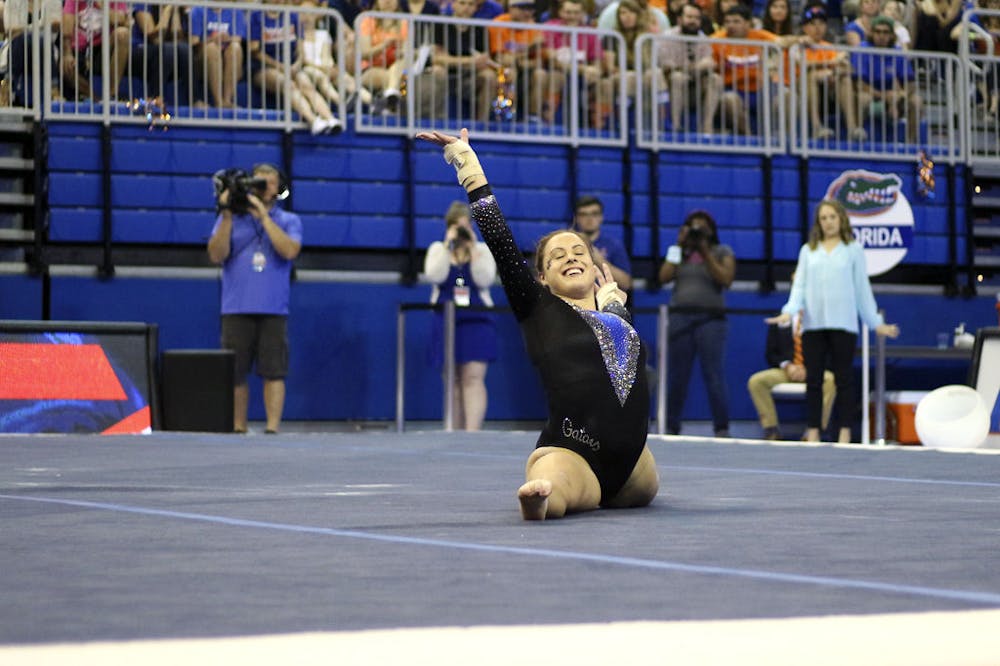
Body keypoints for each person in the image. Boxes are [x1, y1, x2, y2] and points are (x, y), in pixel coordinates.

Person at [417, 128, 659, 520]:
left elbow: (619, 366)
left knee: (647, 482)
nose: (571, 257)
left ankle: (583, 487)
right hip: (573, 452)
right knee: (555, 483)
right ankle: (542, 497)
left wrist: (615, 306)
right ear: (542, 277)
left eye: (578, 250)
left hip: (634, 470)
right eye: (557, 256)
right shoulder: (539, 308)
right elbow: (501, 243)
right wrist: (468, 166)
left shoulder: (614, 314)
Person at [767, 199, 900, 444]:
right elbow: (799, 287)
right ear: (818, 222)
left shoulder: (853, 250)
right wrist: (789, 311)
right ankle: (814, 430)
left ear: (841, 219)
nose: (828, 222)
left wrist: (874, 322)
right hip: (814, 326)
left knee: (844, 380)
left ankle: (845, 431)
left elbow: (862, 290)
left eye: (832, 217)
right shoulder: (809, 251)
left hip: (843, 325)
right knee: (814, 380)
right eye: (823, 218)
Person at [207, 164, 302, 435]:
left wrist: (263, 217)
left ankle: (272, 428)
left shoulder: (288, 220)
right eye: (260, 182)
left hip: (273, 307)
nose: (264, 188)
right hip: (236, 306)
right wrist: (226, 213)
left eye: (270, 183)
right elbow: (216, 255)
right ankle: (238, 426)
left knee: (274, 370)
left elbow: (289, 250)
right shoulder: (232, 219)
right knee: (235, 372)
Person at [657, 209, 735, 437]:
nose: (698, 231)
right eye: (693, 227)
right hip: (680, 317)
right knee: (677, 375)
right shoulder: (677, 252)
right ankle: (671, 425)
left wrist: (705, 251)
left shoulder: (722, 251)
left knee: (714, 375)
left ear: (711, 231)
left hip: (711, 319)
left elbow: (726, 279)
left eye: (702, 227)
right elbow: (663, 277)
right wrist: (680, 245)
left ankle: (721, 427)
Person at [423, 201, 498, 431]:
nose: (462, 231)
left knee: (472, 379)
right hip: (447, 320)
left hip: (476, 320)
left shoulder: (482, 251)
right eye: (457, 226)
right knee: (452, 382)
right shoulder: (438, 249)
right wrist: (448, 245)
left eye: (466, 226)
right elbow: (434, 275)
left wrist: (473, 249)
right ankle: (452, 431)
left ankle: (473, 432)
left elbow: (484, 279)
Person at [747, 295, 836, 440]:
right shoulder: (781, 317)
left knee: (830, 380)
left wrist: (810, 368)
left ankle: (814, 430)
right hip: (787, 371)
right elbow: (771, 353)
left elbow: (829, 353)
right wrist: (788, 366)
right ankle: (771, 429)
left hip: (814, 370)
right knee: (756, 381)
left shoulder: (823, 319)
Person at [248, 0, 342, 135]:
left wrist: (297, 64)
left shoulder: (292, 16)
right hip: (263, 68)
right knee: (288, 84)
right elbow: (255, 51)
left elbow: (300, 50)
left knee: (306, 83)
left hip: (291, 66)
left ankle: (330, 119)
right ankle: (313, 121)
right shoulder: (257, 16)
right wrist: (281, 67)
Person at [851, 15, 922, 143]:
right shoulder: (862, 49)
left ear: (891, 35)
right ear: (871, 33)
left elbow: (910, 83)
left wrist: (899, 96)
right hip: (871, 93)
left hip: (893, 96)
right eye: (877, 32)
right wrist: (885, 96)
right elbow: (860, 84)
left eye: (885, 32)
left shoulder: (898, 52)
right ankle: (857, 137)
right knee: (863, 98)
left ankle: (910, 142)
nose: (881, 36)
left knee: (916, 101)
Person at [710, 4, 779, 135]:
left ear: (748, 23)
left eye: (736, 21)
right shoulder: (716, 40)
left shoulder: (758, 36)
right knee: (730, 99)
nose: (731, 25)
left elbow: (781, 41)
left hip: (759, 90)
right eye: (728, 21)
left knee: (785, 96)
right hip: (730, 89)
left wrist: (800, 39)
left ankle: (784, 141)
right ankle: (750, 139)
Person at [429, 0, 499, 122]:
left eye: (471, 4)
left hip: (469, 78)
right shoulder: (440, 24)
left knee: (489, 76)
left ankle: (481, 124)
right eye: (462, 3)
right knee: (437, 70)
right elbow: (437, 58)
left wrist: (450, 59)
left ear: (475, 8)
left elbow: (483, 61)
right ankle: (436, 121)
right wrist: (469, 61)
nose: (466, 7)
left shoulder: (480, 29)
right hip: (447, 74)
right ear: (453, 5)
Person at [660, 1, 721, 133]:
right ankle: (675, 126)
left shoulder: (702, 38)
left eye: (697, 18)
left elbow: (710, 63)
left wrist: (699, 67)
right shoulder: (667, 36)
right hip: (670, 88)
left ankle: (707, 127)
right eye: (689, 17)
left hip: (695, 89)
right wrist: (696, 67)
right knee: (678, 77)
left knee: (715, 79)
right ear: (679, 19)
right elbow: (667, 67)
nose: (693, 21)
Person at [188, 0, 248, 108]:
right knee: (212, 49)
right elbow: (194, 42)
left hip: (227, 58)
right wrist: (212, 39)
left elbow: (237, 39)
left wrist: (225, 38)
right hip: (202, 62)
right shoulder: (198, 10)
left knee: (235, 48)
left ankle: (227, 100)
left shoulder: (235, 11)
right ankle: (218, 102)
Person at [572, 195, 632, 291]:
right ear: (576, 218)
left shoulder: (614, 245)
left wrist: (599, 260)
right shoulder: (567, 244)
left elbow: (626, 283)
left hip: (604, 299)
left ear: (601, 217)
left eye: (594, 214)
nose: (589, 219)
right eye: (584, 214)